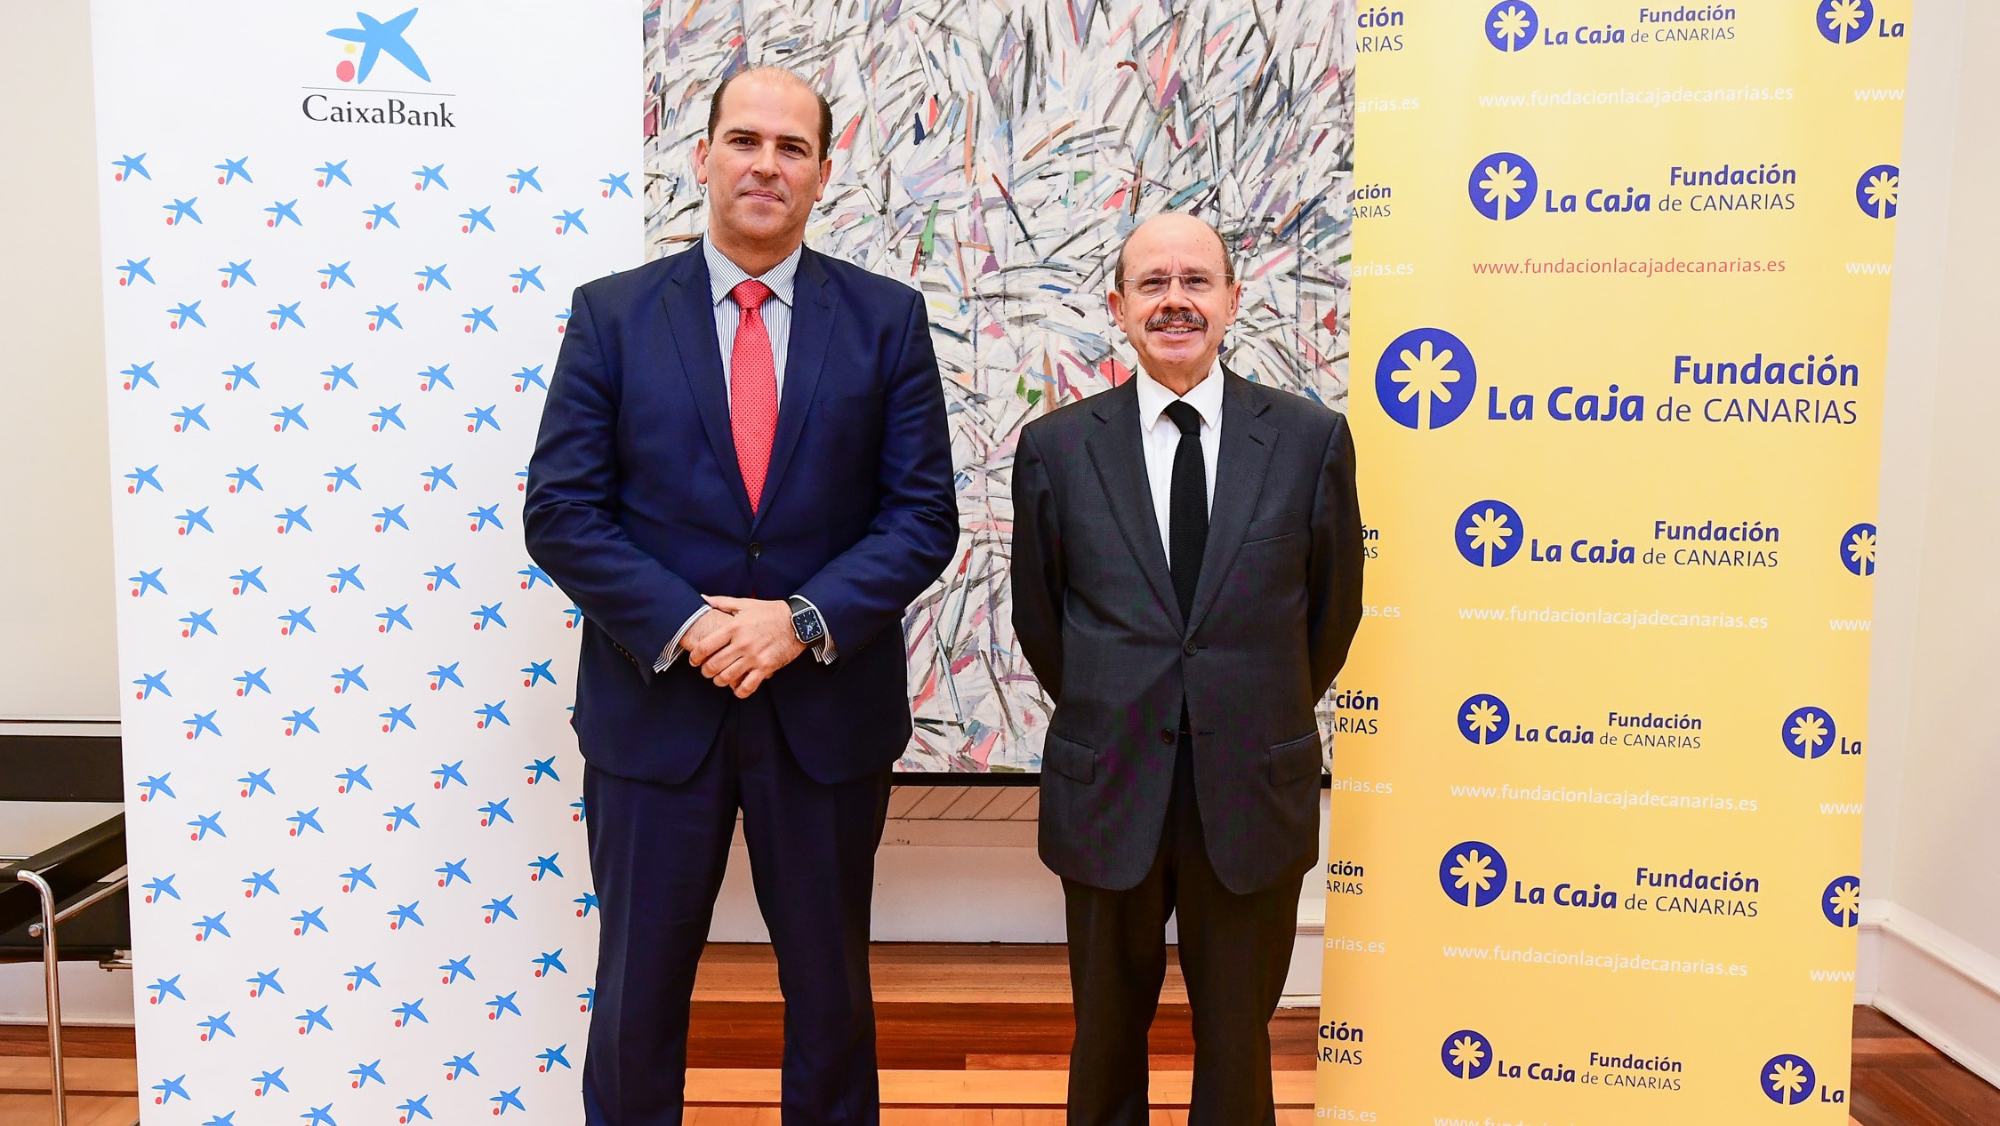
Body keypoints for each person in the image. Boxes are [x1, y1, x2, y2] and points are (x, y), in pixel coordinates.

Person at [524, 66, 958, 1125]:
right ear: (704, 156)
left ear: (822, 174)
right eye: (745, 141)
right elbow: (563, 511)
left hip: (825, 718)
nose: (766, 164)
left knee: (830, 998)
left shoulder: (886, 320)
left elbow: (920, 516)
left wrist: (798, 623)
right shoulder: (613, 316)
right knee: (635, 1000)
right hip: (653, 715)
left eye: (791, 147)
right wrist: (691, 625)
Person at [1010, 213, 1364, 1125]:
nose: (1176, 301)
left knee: (1239, 1044)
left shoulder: (1310, 441)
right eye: (1154, 284)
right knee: (1104, 1041)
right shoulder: (1056, 449)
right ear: (1118, 306)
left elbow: (1332, 614)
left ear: (1233, 300)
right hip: (1108, 782)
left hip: (1251, 787)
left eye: (1197, 281)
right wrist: (1119, 700)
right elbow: (1042, 619)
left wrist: (1245, 704)